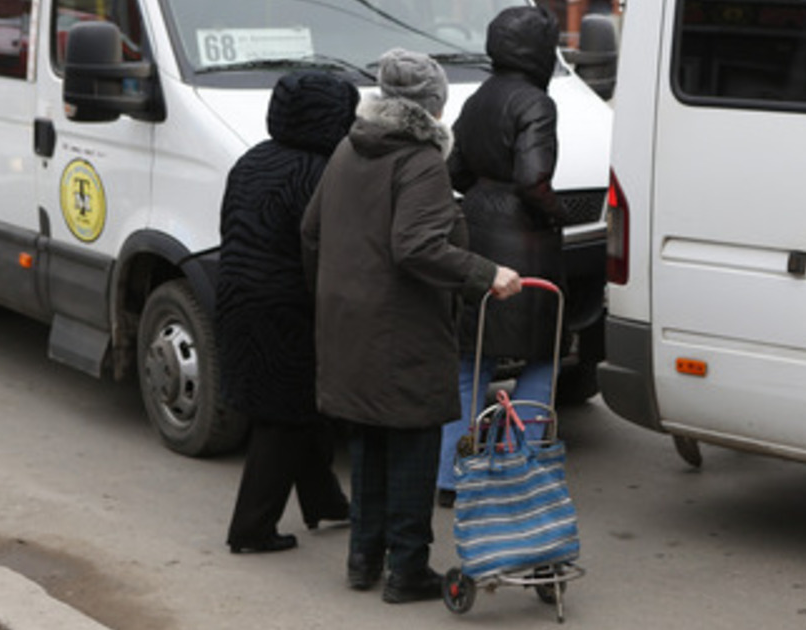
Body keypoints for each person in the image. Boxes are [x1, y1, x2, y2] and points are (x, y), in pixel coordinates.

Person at [300, 49, 522, 603]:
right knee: (414, 444)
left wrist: (335, 293)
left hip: (348, 321)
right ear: (433, 104)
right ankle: (406, 570)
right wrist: (485, 272)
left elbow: (311, 231)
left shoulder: (347, 149)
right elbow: (417, 246)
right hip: (403, 326)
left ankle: (362, 558)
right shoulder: (420, 161)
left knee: (370, 437)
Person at [219, 71, 359, 555]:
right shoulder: (322, 172)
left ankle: (326, 501)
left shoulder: (252, 159)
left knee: (298, 411)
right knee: (284, 417)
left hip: (238, 298)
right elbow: (326, 249)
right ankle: (251, 529)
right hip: (289, 308)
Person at [436, 5, 566, 508]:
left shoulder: (478, 98)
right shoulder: (535, 101)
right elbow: (534, 179)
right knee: (541, 356)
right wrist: (556, 215)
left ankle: (450, 475)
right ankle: (515, 469)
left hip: (478, 235)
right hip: (526, 244)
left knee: (471, 360)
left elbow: (456, 173)